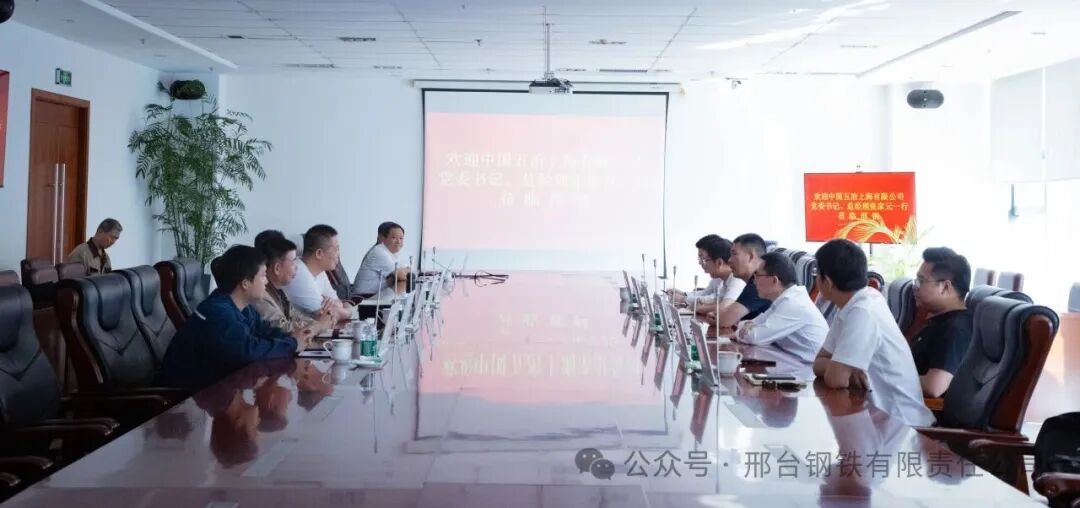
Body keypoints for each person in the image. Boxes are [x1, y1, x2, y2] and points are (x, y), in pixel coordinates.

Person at [811, 239, 934, 426]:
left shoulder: (863, 310)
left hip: (903, 426)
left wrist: (840, 368)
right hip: (874, 416)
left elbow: (835, 379)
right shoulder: (854, 302)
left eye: (816, 275)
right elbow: (818, 363)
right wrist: (843, 367)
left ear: (826, 282)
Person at [158, 245, 306, 390]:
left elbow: (265, 331)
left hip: (216, 390)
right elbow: (248, 351)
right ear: (245, 283)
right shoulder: (218, 313)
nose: (266, 281)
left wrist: (292, 336)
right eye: (262, 276)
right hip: (183, 398)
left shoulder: (244, 307)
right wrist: (292, 344)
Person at [734, 252, 828, 364]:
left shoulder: (794, 304)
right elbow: (749, 323)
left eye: (757, 275)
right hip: (790, 361)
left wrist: (740, 333)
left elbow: (755, 337)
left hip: (807, 369)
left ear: (774, 280)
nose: (754, 281)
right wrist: (745, 328)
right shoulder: (784, 301)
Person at [910, 247, 973, 398]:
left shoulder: (955, 329)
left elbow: (934, 387)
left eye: (921, 281)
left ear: (945, 286)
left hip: (924, 410)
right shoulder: (938, 320)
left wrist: (889, 376)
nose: (915, 287)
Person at [252, 234, 335, 336]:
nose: (296, 267)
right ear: (277, 268)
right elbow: (283, 329)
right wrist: (319, 325)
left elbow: (297, 317)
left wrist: (321, 320)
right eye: (293, 261)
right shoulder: (260, 297)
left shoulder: (279, 291)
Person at [282, 224, 352, 320]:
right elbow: (328, 316)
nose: (338, 254)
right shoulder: (298, 273)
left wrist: (341, 307)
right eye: (336, 249)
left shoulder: (320, 271)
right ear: (319, 253)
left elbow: (338, 303)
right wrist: (348, 308)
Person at [707, 233, 772, 329]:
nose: (729, 260)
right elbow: (724, 314)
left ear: (750, 256)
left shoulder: (760, 283)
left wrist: (719, 318)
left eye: (734, 254)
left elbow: (724, 321)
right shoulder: (752, 282)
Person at [669, 235, 745, 313]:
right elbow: (711, 297)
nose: (700, 263)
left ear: (719, 262)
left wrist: (697, 307)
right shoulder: (724, 280)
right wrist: (686, 297)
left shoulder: (737, 280)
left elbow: (724, 308)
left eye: (704, 259)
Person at [353, 221, 409, 297]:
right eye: (394, 238)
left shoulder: (392, 253)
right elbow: (402, 276)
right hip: (364, 298)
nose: (398, 241)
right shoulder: (379, 252)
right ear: (383, 238)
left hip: (375, 296)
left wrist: (401, 272)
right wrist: (399, 273)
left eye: (401, 238)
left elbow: (409, 271)